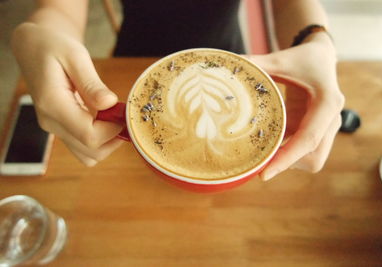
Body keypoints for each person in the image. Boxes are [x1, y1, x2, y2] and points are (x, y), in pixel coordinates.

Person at [11, 0, 344, 181]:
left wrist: (317, 40)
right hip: (131, 73)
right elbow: (61, 8)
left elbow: (289, 4)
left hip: (233, 66)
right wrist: (39, 31)